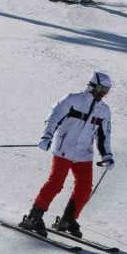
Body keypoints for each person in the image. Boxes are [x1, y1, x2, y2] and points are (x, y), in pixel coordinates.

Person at [19, 72, 115, 238]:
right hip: (64, 148)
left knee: (85, 188)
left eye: (106, 90)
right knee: (56, 183)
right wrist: (46, 136)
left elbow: (104, 136)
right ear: (91, 85)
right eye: (100, 88)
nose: (102, 93)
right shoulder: (72, 99)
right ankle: (34, 215)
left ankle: (68, 219)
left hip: (84, 153)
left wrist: (107, 155)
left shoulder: (104, 111)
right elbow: (53, 117)